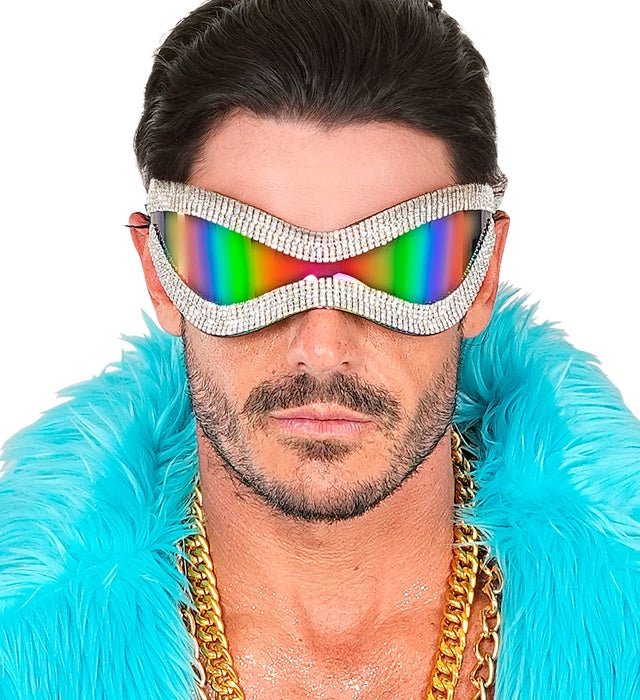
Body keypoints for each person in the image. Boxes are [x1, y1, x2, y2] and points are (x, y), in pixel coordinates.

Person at [1, 0, 638, 698]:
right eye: (243, 264)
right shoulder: (24, 658)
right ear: (161, 276)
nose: (323, 348)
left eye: (403, 265)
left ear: (481, 278)